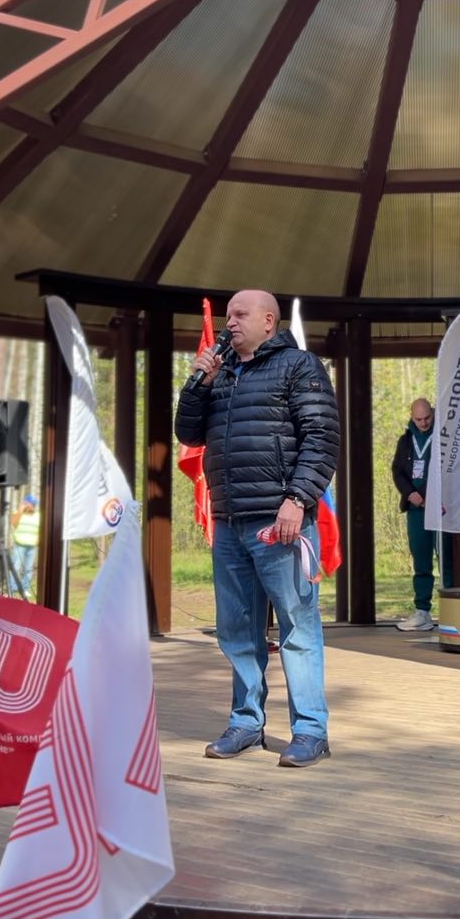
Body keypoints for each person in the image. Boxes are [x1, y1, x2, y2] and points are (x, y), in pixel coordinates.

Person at [174, 289, 339, 769]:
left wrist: (297, 500)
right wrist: (197, 384)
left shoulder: (298, 366)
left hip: (281, 522)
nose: (230, 323)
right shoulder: (220, 372)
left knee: (297, 627)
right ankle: (246, 723)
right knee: (237, 629)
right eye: (228, 315)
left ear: (269, 321)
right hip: (229, 523)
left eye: (240, 315)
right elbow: (188, 434)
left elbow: (321, 437)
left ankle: (310, 731)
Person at [391, 398, 451, 631]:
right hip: (416, 510)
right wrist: (410, 494)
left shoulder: (443, 436)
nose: (423, 423)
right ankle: (422, 612)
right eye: (419, 419)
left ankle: (451, 612)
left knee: (446, 559)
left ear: (433, 414)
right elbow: (397, 471)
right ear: (411, 417)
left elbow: (445, 469)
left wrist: (425, 494)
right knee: (421, 561)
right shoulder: (405, 440)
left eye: (427, 418)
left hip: (440, 508)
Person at [10, 493, 40, 596]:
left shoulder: (38, 516)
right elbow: (13, 522)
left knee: (28, 568)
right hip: (19, 544)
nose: (32, 506)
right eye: (30, 504)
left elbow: (41, 529)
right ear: (25, 504)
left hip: (32, 546)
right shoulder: (18, 513)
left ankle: (25, 588)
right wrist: (20, 511)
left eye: (33, 504)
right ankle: (12, 588)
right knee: (16, 566)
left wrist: (38, 540)